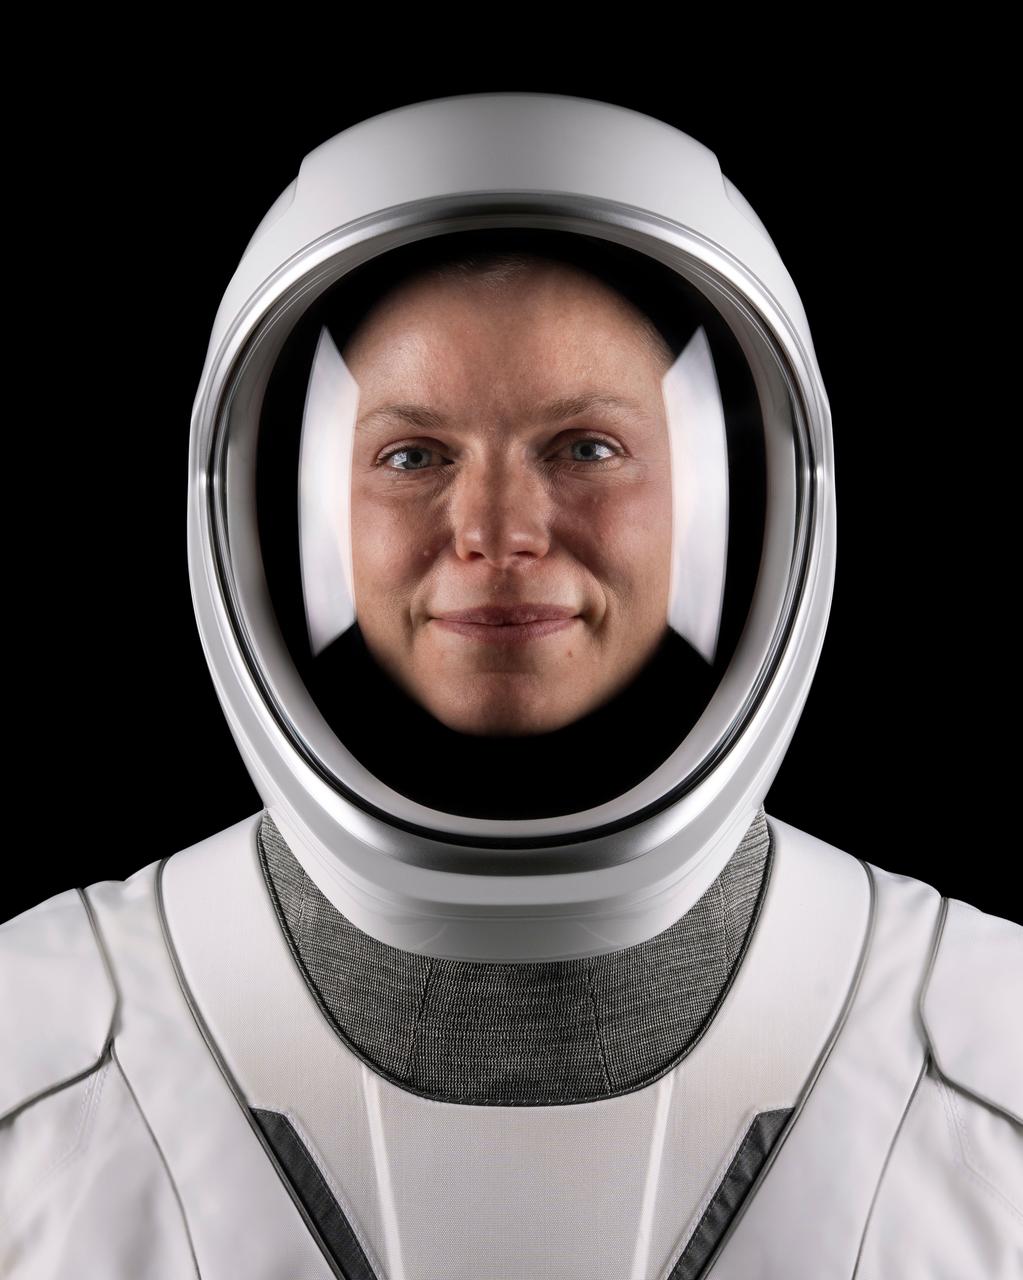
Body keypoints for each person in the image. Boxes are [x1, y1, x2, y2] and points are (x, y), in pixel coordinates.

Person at [1, 92, 1020, 1280]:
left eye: (586, 447)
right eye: (411, 455)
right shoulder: (34, 1063)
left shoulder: (992, 1054)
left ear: (750, 497)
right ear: (262, 508)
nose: (497, 528)